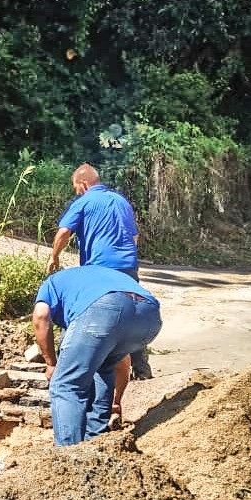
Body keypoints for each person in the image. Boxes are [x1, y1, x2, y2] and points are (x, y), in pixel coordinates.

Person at [45, 163, 153, 417]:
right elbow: (135, 238)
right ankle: (142, 370)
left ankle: (88, 373)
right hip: (128, 268)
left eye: (76, 189)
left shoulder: (84, 202)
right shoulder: (122, 201)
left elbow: (63, 233)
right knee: (130, 316)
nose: (77, 193)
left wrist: (54, 257)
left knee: (93, 317)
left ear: (82, 184)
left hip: (100, 270)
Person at [32, 265, 162, 447]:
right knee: (105, 367)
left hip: (104, 309)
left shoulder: (51, 283)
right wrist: (116, 400)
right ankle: (95, 444)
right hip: (149, 317)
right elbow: (123, 361)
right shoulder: (92, 279)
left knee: (65, 385)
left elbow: (40, 316)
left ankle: (67, 457)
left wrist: (51, 363)